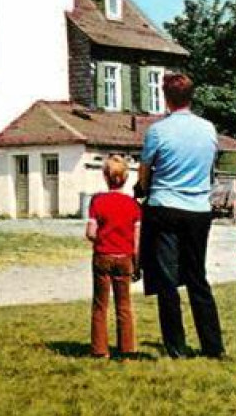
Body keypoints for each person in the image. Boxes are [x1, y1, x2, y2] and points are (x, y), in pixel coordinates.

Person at [138, 72, 224, 359]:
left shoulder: (158, 131)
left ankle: (176, 346)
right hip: (198, 209)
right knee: (197, 277)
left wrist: (141, 188)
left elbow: (145, 172)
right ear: (191, 96)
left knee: (167, 281)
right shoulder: (208, 129)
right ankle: (213, 345)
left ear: (166, 97)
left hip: (165, 206)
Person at [86, 153, 142, 359]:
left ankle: (100, 349)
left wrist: (100, 240)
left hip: (103, 256)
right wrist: (137, 264)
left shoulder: (97, 201)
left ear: (105, 177)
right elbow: (137, 240)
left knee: (100, 305)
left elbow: (91, 232)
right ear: (126, 178)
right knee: (124, 304)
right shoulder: (134, 205)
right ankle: (128, 349)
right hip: (125, 257)